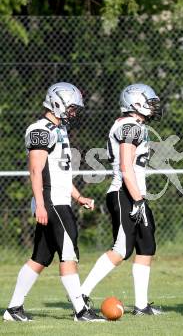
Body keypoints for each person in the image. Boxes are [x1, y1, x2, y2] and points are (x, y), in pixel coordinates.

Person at [3, 82, 103, 322]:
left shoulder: (59, 130)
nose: (73, 113)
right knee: (68, 255)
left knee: (39, 258)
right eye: (71, 108)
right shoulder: (40, 129)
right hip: (52, 202)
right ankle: (81, 311)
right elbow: (36, 171)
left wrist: (78, 197)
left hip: (59, 200)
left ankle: (13, 310)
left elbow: (59, 173)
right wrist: (40, 203)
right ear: (57, 103)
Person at [80, 83, 163, 315]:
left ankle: (141, 305)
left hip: (134, 194)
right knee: (122, 249)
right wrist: (137, 200)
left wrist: (139, 198)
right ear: (135, 103)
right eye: (149, 102)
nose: (153, 107)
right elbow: (126, 166)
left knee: (146, 246)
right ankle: (81, 295)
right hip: (124, 193)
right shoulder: (130, 126)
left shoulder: (133, 125)